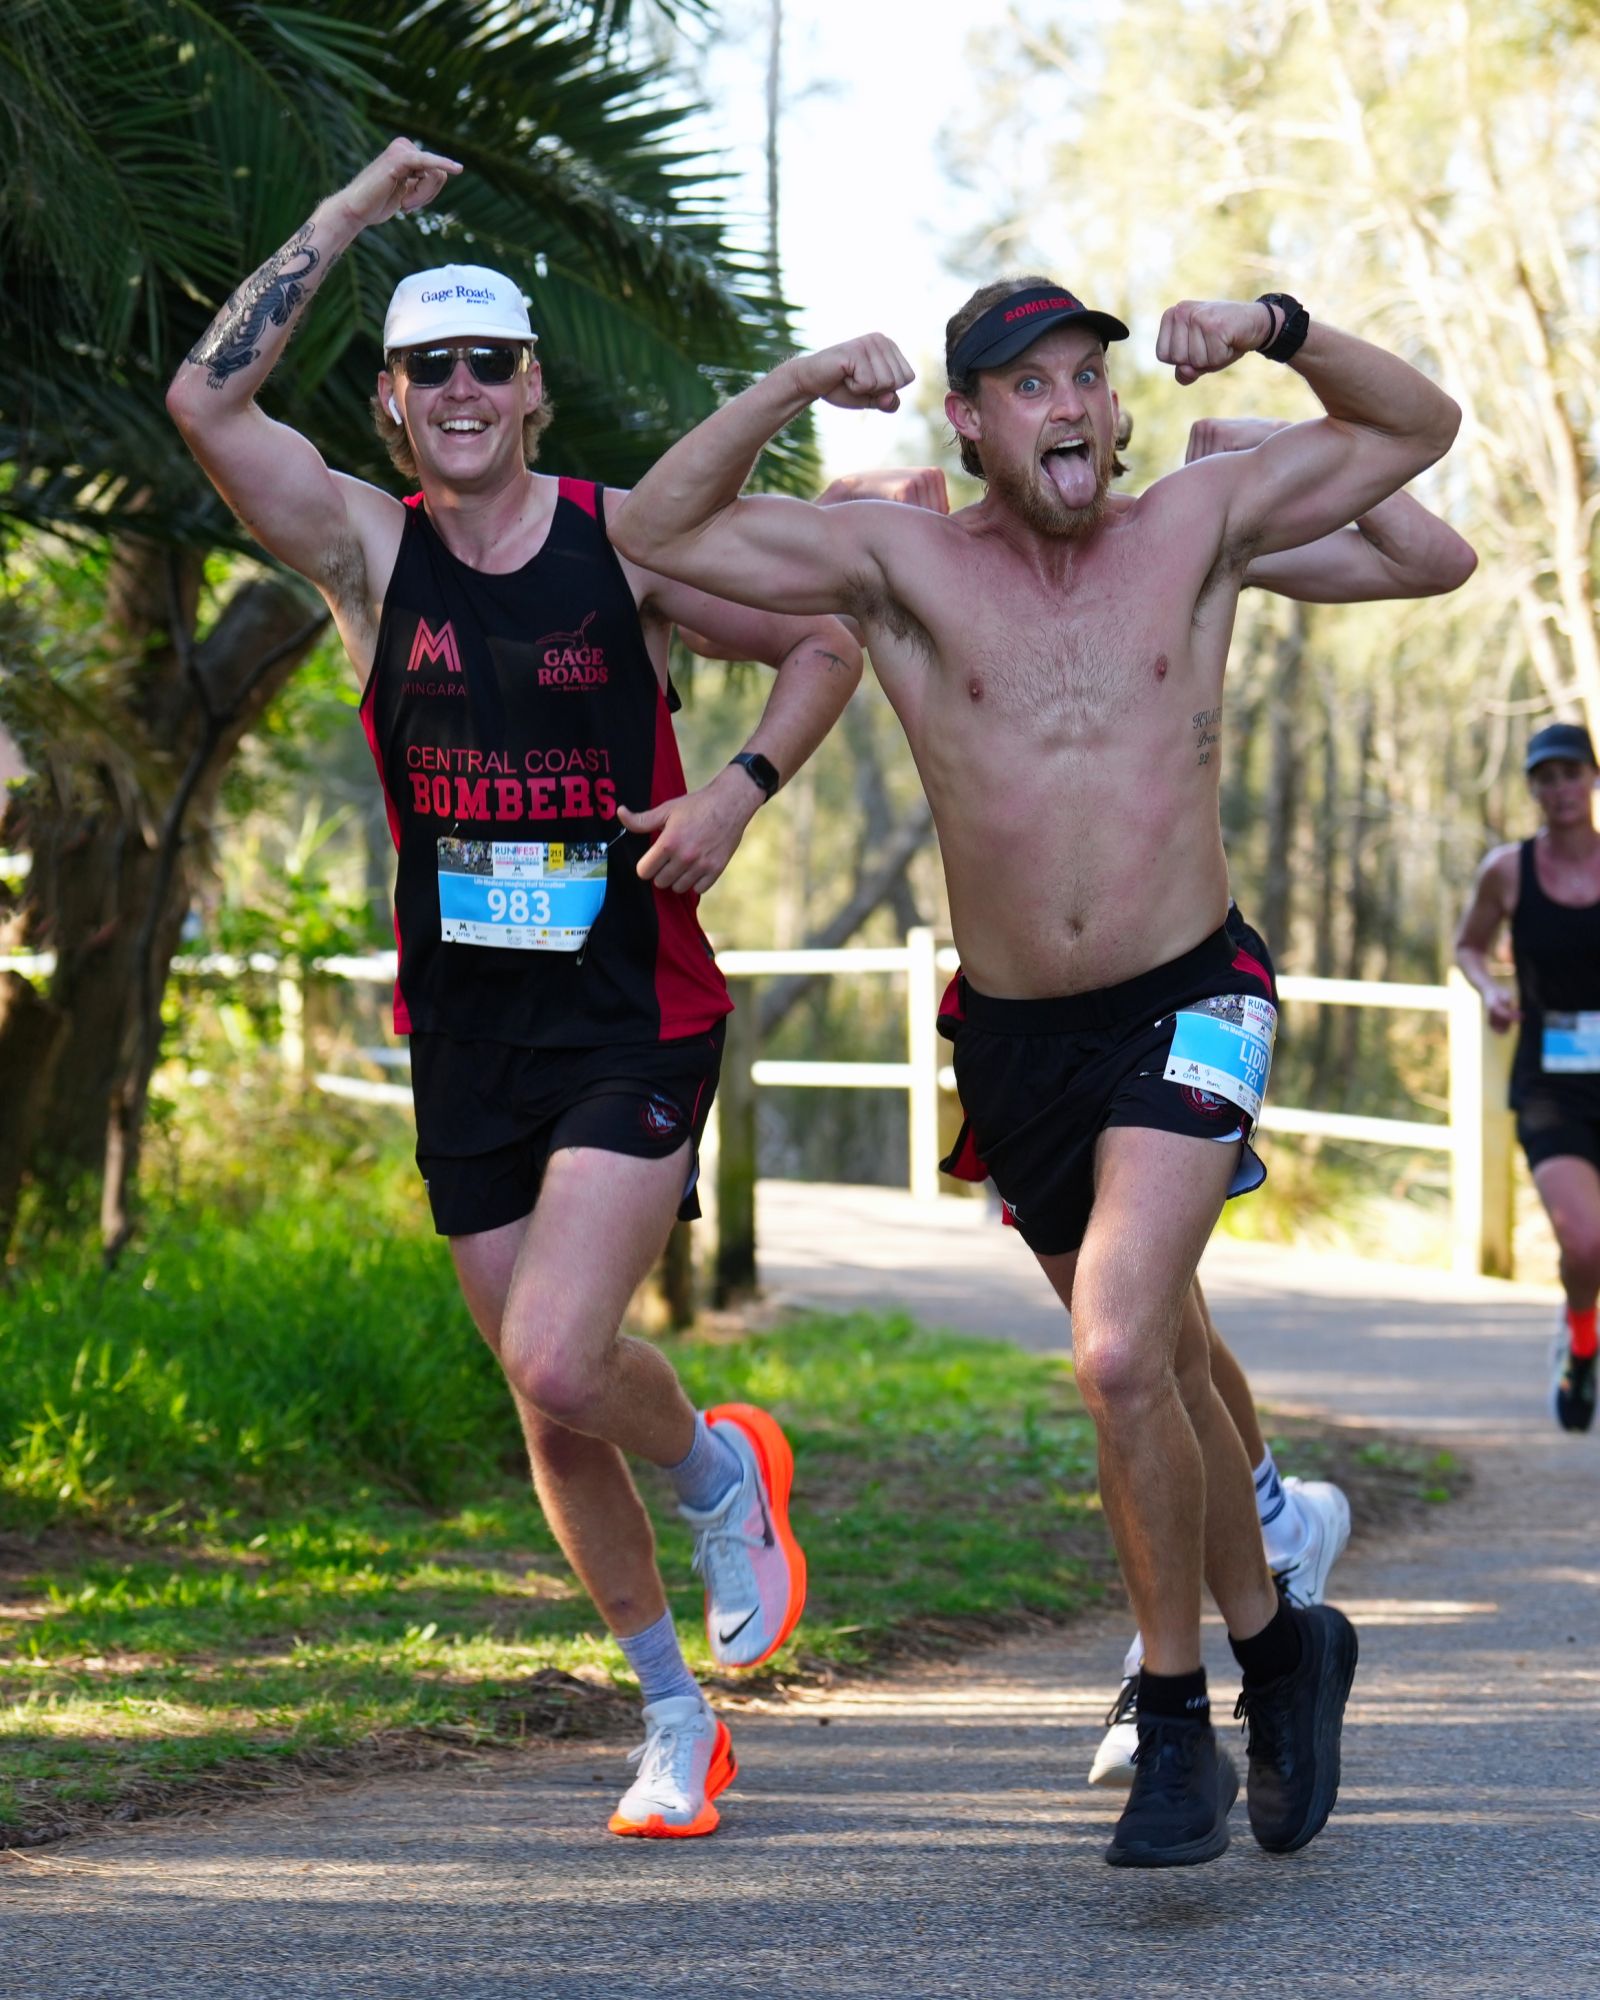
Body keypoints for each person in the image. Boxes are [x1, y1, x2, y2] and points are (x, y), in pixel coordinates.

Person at [611, 275, 1461, 1867]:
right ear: (971, 422)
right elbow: (659, 527)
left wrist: (1278, 326)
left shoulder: (1197, 525)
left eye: (1089, 378)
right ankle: (1285, 1651)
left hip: (1196, 994)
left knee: (1122, 1350)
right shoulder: (902, 562)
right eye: (1030, 385)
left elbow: (1420, 429)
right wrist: (798, 377)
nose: (1069, 405)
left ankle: (1176, 1719)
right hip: (1014, 1040)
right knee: (1155, 1367)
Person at [166, 138, 865, 1840]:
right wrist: (340, 216)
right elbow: (203, 403)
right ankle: (675, 1703)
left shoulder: (623, 549)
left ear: (534, 393)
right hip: (465, 1033)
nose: (463, 390)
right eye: (430, 369)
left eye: (493, 362)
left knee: (559, 1359)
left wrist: (734, 792)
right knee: (543, 1392)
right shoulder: (364, 554)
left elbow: (826, 642)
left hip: (635, 1009)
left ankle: (714, 1485)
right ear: (396, 408)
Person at [1457, 721, 1600, 1434]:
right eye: (1546, 777)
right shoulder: (1508, 870)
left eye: (1572, 772)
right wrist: (1490, 990)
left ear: (1593, 779)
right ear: (1533, 790)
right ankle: (1581, 1343)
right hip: (1551, 1081)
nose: (1561, 788)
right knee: (1582, 1242)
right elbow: (1468, 945)